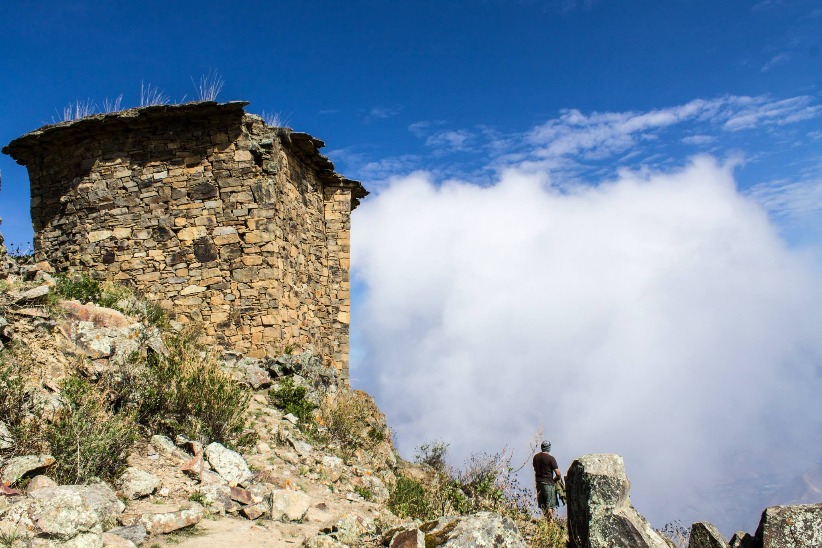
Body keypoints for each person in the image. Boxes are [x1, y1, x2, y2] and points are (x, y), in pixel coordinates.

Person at [533, 440, 562, 521]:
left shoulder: (536, 457)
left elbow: (535, 469)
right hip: (548, 483)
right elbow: (558, 473)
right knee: (550, 505)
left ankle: (546, 521)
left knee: (543, 504)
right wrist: (556, 479)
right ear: (549, 448)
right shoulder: (551, 459)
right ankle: (551, 523)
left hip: (539, 483)